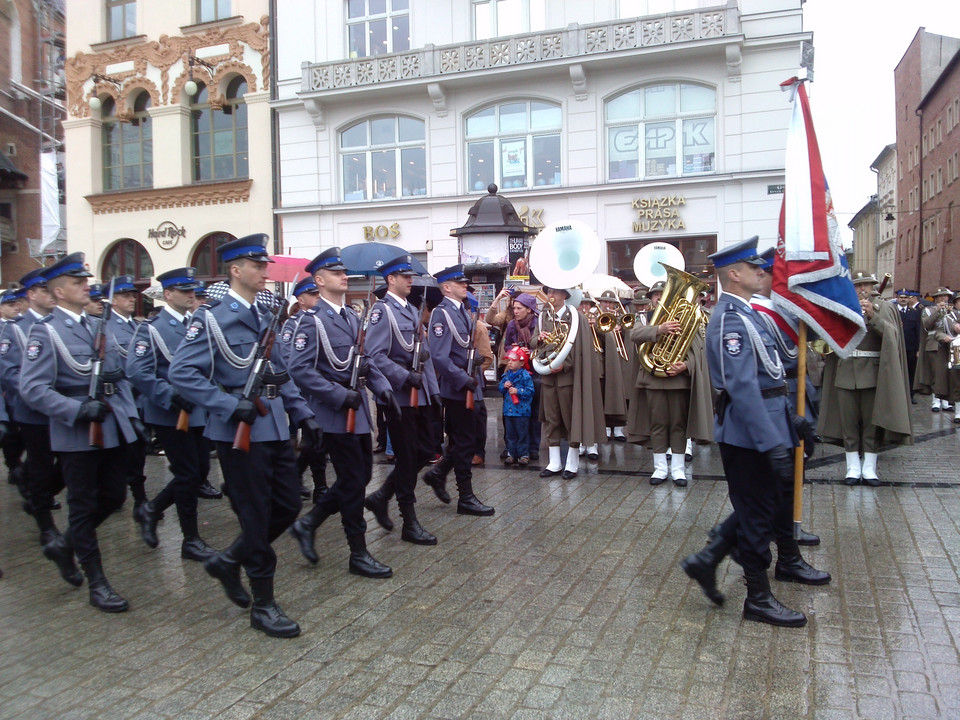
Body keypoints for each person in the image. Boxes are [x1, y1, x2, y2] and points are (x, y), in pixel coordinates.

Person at [170, 234, 319, 638]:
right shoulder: (211, 318)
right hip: (239, 429)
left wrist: (303, 414)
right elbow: (181, 372)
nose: (264, 271)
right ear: (236, 271)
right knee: (254, 515)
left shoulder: (265, 315)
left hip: (273, 425)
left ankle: (227, 560)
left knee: (287, 506)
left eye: (264, 265)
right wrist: (222, 403)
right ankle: (263, 603)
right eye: (256, 265)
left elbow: (279, 371)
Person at [680, 238, 812, 627]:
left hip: (767, 423)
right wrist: (771, 440)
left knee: (764, 508)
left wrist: (789, 421)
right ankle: (757, 599)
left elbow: (772, 372)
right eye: (755, 268)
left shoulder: (751, 314)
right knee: (757, 517)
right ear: (734, 274)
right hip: (749, 432)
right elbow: (741, 386)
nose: (763, 272)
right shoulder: (731, 319)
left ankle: (708, 560)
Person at [20, 253, 141, 613]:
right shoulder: (45, 332)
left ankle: (65, 545)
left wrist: (130, 416)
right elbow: (33, 388)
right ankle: (97, 582)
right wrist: (75, 410)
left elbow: (116, 377)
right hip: (77, 431)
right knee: (83, 505)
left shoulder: (94, 324)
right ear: (58, 291)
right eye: (77, 282)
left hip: (111, 425)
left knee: (113, 496)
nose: (85, 285)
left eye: (84, 280)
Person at [286, 247, 398, 577]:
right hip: (333, 414)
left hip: (358, 412)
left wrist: (383, 390)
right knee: (352, 481)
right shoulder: (311, 320)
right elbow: (300, 369)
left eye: (344, 272)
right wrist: (338, 395)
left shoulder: (351, 316)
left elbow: (364, 363)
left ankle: (309, 523)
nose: (344, 276)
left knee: (361, 476)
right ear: (319, 281)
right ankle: (358, 552)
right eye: (336, 273)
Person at [128, 267, 217, 562]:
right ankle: (190, 539)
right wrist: (169, 395)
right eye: (185, 291)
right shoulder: (151, 329)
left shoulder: (199, 324)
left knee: (200, 471)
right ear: (168, 295)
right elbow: (137, 371)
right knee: (188, 472)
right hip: (170, 413)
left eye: (193, 290)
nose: (192, 295)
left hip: (199, 411)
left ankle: (151, 509)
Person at [361, 254, 441, 545]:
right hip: (398, 397)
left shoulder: (410, 309)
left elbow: (424, 356)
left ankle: (382, 496)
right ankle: (409, 520)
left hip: (419, 397)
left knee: (424, 453)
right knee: (408, 457)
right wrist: (404, 377)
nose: (410, 281)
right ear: (390, 280)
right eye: (405, 277)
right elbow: (374, 356)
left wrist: (433, 392)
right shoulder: (382, 312)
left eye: (411, 276)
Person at [818, 273, 913, 485]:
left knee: (871, 424)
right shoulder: (842, 307)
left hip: (872, 373)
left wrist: (874, 317)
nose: (862, 289)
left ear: (873, 286)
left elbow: (893, 335)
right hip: (845, 372)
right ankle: (852, 467)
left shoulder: (885, 307)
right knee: (848, 422)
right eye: (858, 285)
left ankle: (869, 468)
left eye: (866, 285)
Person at [419, 265, 496, 513]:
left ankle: (438, 474)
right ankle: (465, 497)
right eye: (460, 283)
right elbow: (439, 357)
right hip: (457, 389)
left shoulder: (462, 311)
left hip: (470, 385)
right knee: (464, 443)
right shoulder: (442, 314)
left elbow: (461, 349)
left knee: (466, 441)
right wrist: (463, 379)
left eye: (465, 283)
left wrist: (471, 365)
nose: (465, 286)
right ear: (446, 287)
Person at [0, 269, 64, 546]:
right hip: (33, 411)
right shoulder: (15, 328)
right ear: (31, 294)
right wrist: (38, 395)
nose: (51, 295)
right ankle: (46, 526)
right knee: (40, 466)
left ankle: (36, 493)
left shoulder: (59, 324)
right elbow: (9, 371)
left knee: (66, 463)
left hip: (61, 409)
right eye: (45, 290)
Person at [626, 284, 712, 487]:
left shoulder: (685, 319)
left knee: (678, 425)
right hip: (653, 380)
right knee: (657, 425)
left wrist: (687, 365)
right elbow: (634, 335)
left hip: (678, 381)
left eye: (661, 295)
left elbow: (699, 349)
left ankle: (678, 469)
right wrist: (659, 329)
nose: (658, 299)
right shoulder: (644, 317)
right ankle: (660, 468)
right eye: (655, 296)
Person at [532, 286, 605, 480]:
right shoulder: (542, 317)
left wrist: (564, 364)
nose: (551, 296)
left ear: (565, 295)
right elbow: (532, 341)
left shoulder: (576, 317)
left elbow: (580, 349)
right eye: (549, 292)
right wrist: (538, 340)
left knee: (571, 419)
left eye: (555, 292)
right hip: (548, 376)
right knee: (551, 419)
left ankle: (571, 464)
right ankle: (554, 462)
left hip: (567, 378)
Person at [102, 275, 150, 515]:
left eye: (133, 295)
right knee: (126, 451)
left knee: (138, 450)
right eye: (125, 296)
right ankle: (133, 497)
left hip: (139, 398)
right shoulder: (106, 326)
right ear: (112, 300)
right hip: (122, 398)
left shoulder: (136, 326)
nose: (132, 300)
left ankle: (139, 498)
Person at [278, 276, 328, 502]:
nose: (318, 298)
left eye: (319, 293)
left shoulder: (323, 319)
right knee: (312, 439)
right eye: (313, 294)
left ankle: (295, 478)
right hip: (304, 390)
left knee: (316, 439)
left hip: (323, 388)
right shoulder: (293, 323)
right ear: (301, 299)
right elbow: (288, 358)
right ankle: (318, 486)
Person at [501, 292, 541, 459]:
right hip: (515, 370)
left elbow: (544, 346)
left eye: (519, 308)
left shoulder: (538, 324)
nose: (515, 311)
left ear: (529, 310)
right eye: (514, 308)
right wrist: (515, 349)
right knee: (510, 411)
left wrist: (530, 352)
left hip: (534, 370)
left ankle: (532, 447)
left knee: (533, 410)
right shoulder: (511, 325)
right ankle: (510, 447)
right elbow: (506, 346)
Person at [915, 287, 955, 413]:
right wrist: (938, 311)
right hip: (934, 344)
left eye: (946, 296)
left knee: (949, 374)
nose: (943, 298)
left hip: (951, 344)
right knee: (937, 373)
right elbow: (926, 324)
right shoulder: (928, 310)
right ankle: (936, 400)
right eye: (940, 296)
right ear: (936, 298)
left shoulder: (952, 311)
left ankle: (946, 400)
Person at [596, 290, 629, 443]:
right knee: (604, 394)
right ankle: (607, 427)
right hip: (604, 359)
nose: (607, 305)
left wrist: (621, 330)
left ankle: (619, 428)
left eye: (610, 302)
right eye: (604, 302)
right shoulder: (596, 317)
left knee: (617, 392)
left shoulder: (620, 317)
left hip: (619, 359)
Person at [498, 346, 534, 465]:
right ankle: (511, 454)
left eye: (513, 360)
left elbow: (530, 392)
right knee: (510, 434)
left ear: (522, 362)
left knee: (522, 433)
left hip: (522, 412)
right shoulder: (506, 375)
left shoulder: (526, 376)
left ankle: (523, 454)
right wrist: (504, 386)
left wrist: (518, 391)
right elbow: (500, 389)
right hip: (509, 411)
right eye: (509, 360)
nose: (510, 362)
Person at [895, 288, 923, 404]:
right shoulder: (893, 311)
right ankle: (895, 395)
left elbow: (918, 332)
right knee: (896, 371)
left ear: (909, 299)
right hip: (895, 347)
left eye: (905, 297)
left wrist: (918, 349)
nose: (903, 299)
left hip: (910, 348)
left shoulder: (914, 313)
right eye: (901, 297)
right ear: (897, 298)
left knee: (910, 371)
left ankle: (910, 395)